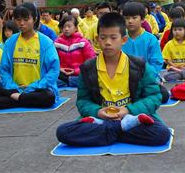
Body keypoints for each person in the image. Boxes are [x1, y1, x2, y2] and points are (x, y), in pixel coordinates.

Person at [55, 13, 170, 147]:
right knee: (63, 132)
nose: (108, 42)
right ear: (97, 39)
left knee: (161, 133)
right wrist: (98, 112)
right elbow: (83, 101)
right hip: (101, 119)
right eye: (103, 38)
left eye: (113, 38)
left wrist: (128, 110)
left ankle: (108, 133)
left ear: (124, 39)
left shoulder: (139, 65)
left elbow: (154, 97)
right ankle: (120, 130)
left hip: (131, 118)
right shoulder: (88, 68)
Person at [0, 2, 59, 111]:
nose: (21, 23)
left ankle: (18, 99)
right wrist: (13, 88)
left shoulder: (46, 42)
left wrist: (34, 87)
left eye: (26, 19)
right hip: (15, 89)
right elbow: (4, 69)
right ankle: (24, 100)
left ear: (35, 19)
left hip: (38, 89)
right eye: (18, 19)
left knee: (48, 97)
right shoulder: (10, 42)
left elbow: (53, 70)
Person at [122, 2, 163, 76]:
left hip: (147, 78)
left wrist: (146, 76)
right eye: (127, 18)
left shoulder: (151, 39)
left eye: (134, 18)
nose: (130, 21)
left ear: (142, 19)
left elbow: (156, 62)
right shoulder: (120, 39)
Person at [54, 15, 96, 87]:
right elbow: (52, 61)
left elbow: (91, 61)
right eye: (64, 27)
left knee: (89, 79)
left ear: (76, 28)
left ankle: (67, 81)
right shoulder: (56, 43)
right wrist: (60, 69)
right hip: (61, 73)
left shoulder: (83, 43)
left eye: (69, 26)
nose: (66, 29)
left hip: (79, 74)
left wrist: (76, 71)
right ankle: (68, 81)